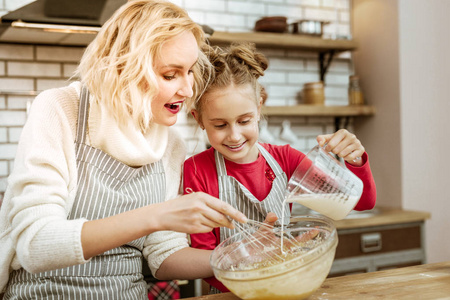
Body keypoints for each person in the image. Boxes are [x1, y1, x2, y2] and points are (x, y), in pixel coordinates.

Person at [0, 1, 249, 299]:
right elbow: (35, 244)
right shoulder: (61, 110)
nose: (187, 90)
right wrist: (156, 215)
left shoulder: (170, 146)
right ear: (124, 68)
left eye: (190, 71)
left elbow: (164, 256)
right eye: (170, 75)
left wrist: (237, 256)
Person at [183, 42, 377, 293]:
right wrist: (252, 266)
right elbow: (205, 258)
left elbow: (362, 203)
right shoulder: (197, 170)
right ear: (199, 119)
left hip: (287, 287)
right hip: (230, 294)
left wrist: (355, 159)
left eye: (244, 121)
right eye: (220, 125)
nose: (234, 135)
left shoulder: (286, 159)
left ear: (259, 107)